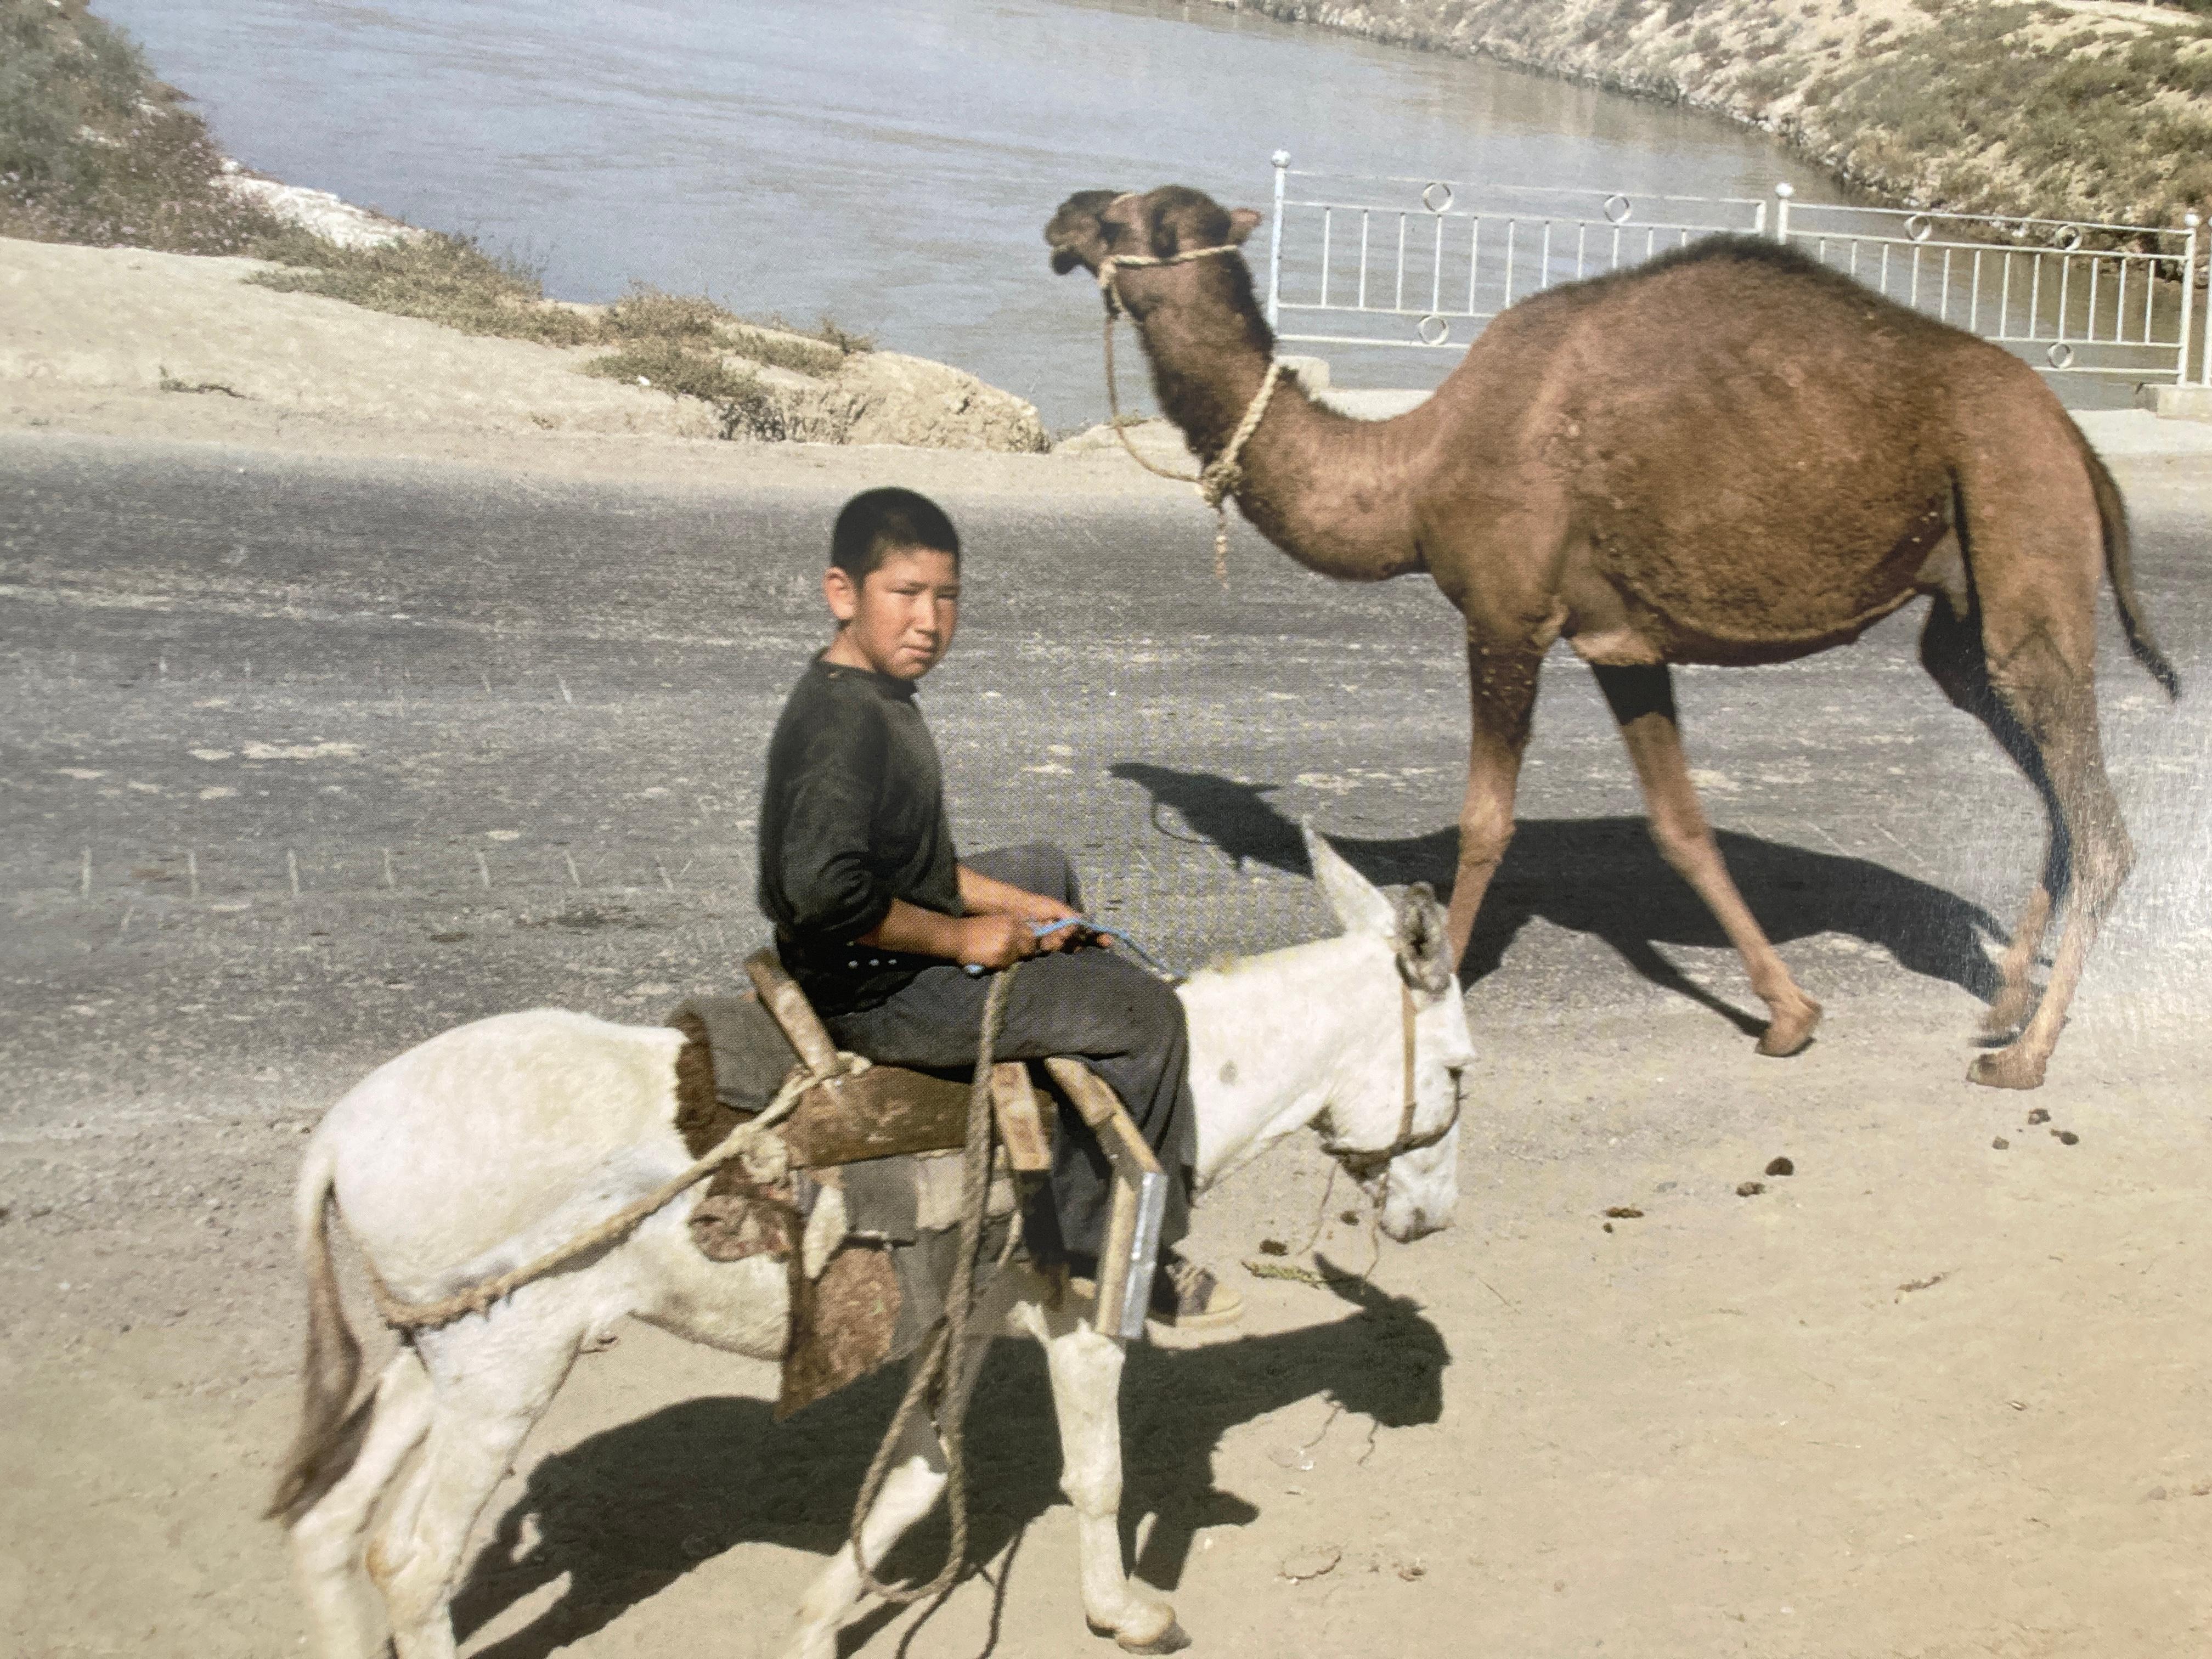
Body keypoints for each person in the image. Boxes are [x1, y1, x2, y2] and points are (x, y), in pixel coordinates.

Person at [757, 486, 1240, 1328]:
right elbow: (826, 894)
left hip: (880, 941)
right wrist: (962, 939)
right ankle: (1107, 1258)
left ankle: (1072, 1108)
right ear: (844, 593)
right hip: (874, 991)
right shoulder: (846, 727)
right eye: (904, 595)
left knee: (1044, 865)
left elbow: (915, 862)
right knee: (1150, 1014)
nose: (928, 621)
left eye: (947, 598)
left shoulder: (873, 694)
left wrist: (1027, 905)